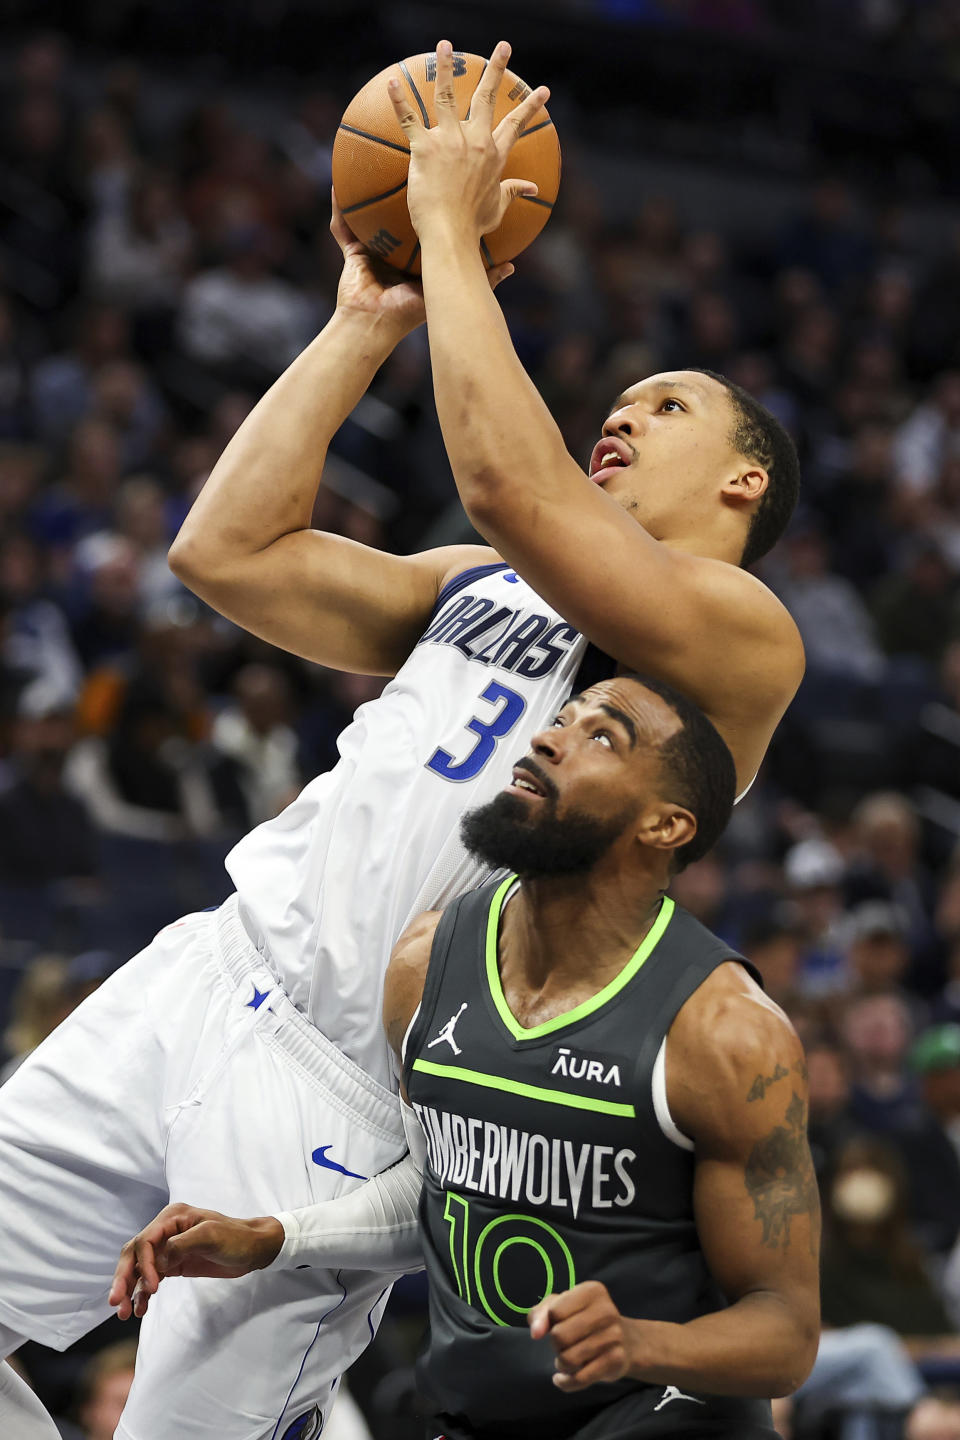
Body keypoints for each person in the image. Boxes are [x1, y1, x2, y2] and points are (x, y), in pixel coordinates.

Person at [0, 44, 804, 1440]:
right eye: (623, 397)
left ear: (744, 481)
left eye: (669, 405)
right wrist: (366, 322)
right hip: (214, 964)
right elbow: (225, 550)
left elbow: (507, 480)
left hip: (351, 1085)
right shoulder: (475, 581)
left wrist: (447, 225)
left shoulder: (739, 635)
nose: (624, 410)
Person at [112, 675, 821, 1439]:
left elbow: (784, 1333)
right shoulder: (426, 960)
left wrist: (645, 1344)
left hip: (662, 1417)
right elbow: (444, 1188)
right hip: (475, 1415)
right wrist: (274, 1238)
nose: (548, 739)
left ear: (666, 825)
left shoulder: (725, 1033)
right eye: (560, 719)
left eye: (602, 737)